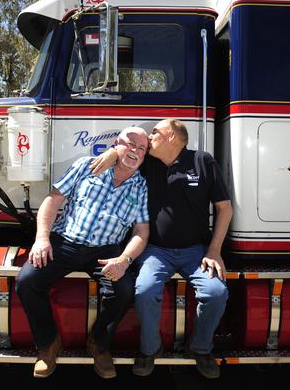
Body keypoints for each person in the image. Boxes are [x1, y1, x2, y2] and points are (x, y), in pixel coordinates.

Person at [91, 118, 232, 379]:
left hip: (196, 252)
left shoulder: (203, 161)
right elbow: (126, 154)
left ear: (171, 137)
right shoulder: (149, 164)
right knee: (144, 290)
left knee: (215, 292)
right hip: (155, 250)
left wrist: (214, 251)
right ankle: (149, 350)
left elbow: (225, 208)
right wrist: (112, 152)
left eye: (155, 132)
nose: (149, 135)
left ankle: (201, 348)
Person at [15, 126, 151, 379]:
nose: (135, 151)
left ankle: (99, 344)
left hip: (106, 249)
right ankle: (48, 345)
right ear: (115, 144)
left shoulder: (140, 186)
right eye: (130, 143)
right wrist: (42, 238)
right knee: (27, 282)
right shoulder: (86, 165)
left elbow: (141, 232)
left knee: (123, 291)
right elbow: (53, 200)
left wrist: (124, 259)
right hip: (65, 241)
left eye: (141, 148)